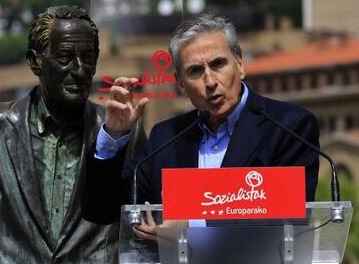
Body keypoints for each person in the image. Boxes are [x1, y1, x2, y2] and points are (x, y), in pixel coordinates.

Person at [0, 5, 145, 263]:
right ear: (34, 61)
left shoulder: (122, 132)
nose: (79, 69)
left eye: (88, 58)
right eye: (64, 57)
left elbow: (144, 232)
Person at [97, 14, 320, 236]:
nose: (210, 82)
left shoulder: (288, 127)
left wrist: (191, 228)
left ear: (240, 64)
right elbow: (105, 210)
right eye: (195, 71)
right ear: (181, 84)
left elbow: (287, 220)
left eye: (218, 64)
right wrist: (113, 136)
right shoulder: (165, 137)